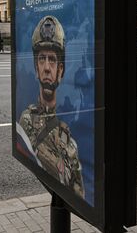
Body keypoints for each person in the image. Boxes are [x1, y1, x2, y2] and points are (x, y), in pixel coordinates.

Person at [17, 15, 85, 198]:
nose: (47, 67)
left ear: (60, 70)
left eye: (52, 60)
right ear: (35, 66)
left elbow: (78, 195)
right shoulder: (25, 122)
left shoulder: (69, 145)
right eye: (42, 59)